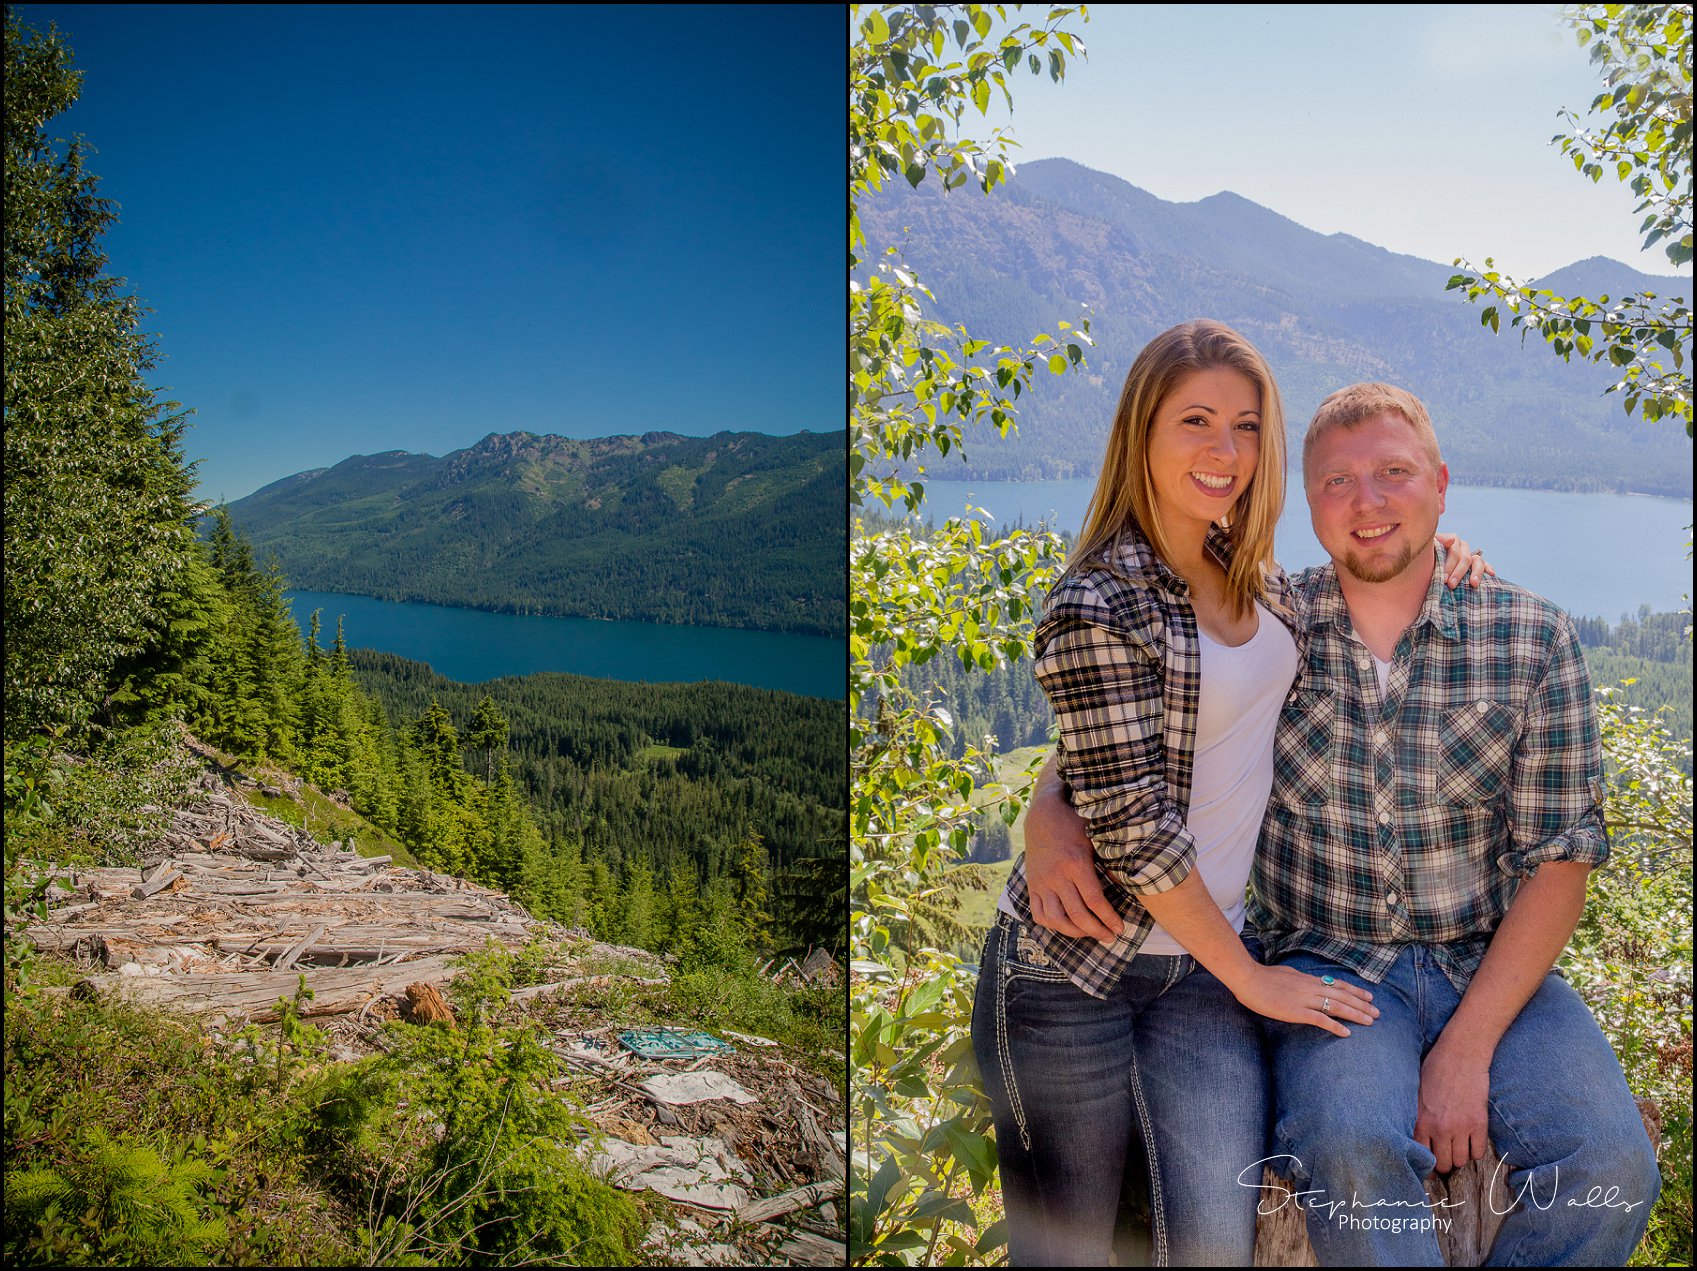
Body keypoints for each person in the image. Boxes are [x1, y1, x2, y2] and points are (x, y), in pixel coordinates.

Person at [1022, 381, 1661, 1266]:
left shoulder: (1531, 639)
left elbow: (1560, 865)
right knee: (1349, 1151)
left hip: (1488, 959)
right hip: (1329, 965)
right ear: (1304, 502)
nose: (1367, 503)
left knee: (1614, 1166)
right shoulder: (1273, 621)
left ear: (1439, 485)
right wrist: (1045, 806)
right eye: (1336, 481)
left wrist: (1466, 1047)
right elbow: (1130, 733)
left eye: (1393, 473)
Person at [969, 322, 1487, 1267]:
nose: (1225, 451)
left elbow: (1120, 745)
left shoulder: (1261, 584)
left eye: (1246, 426)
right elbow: (1130, 824)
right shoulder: (1098, 600)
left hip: (1199, 980)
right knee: (1068, 1251)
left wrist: (1437, 553)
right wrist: (1253, 977)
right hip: (1069, 977)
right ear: (1141, 432)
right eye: (1195, 420)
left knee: (1210, 1247)